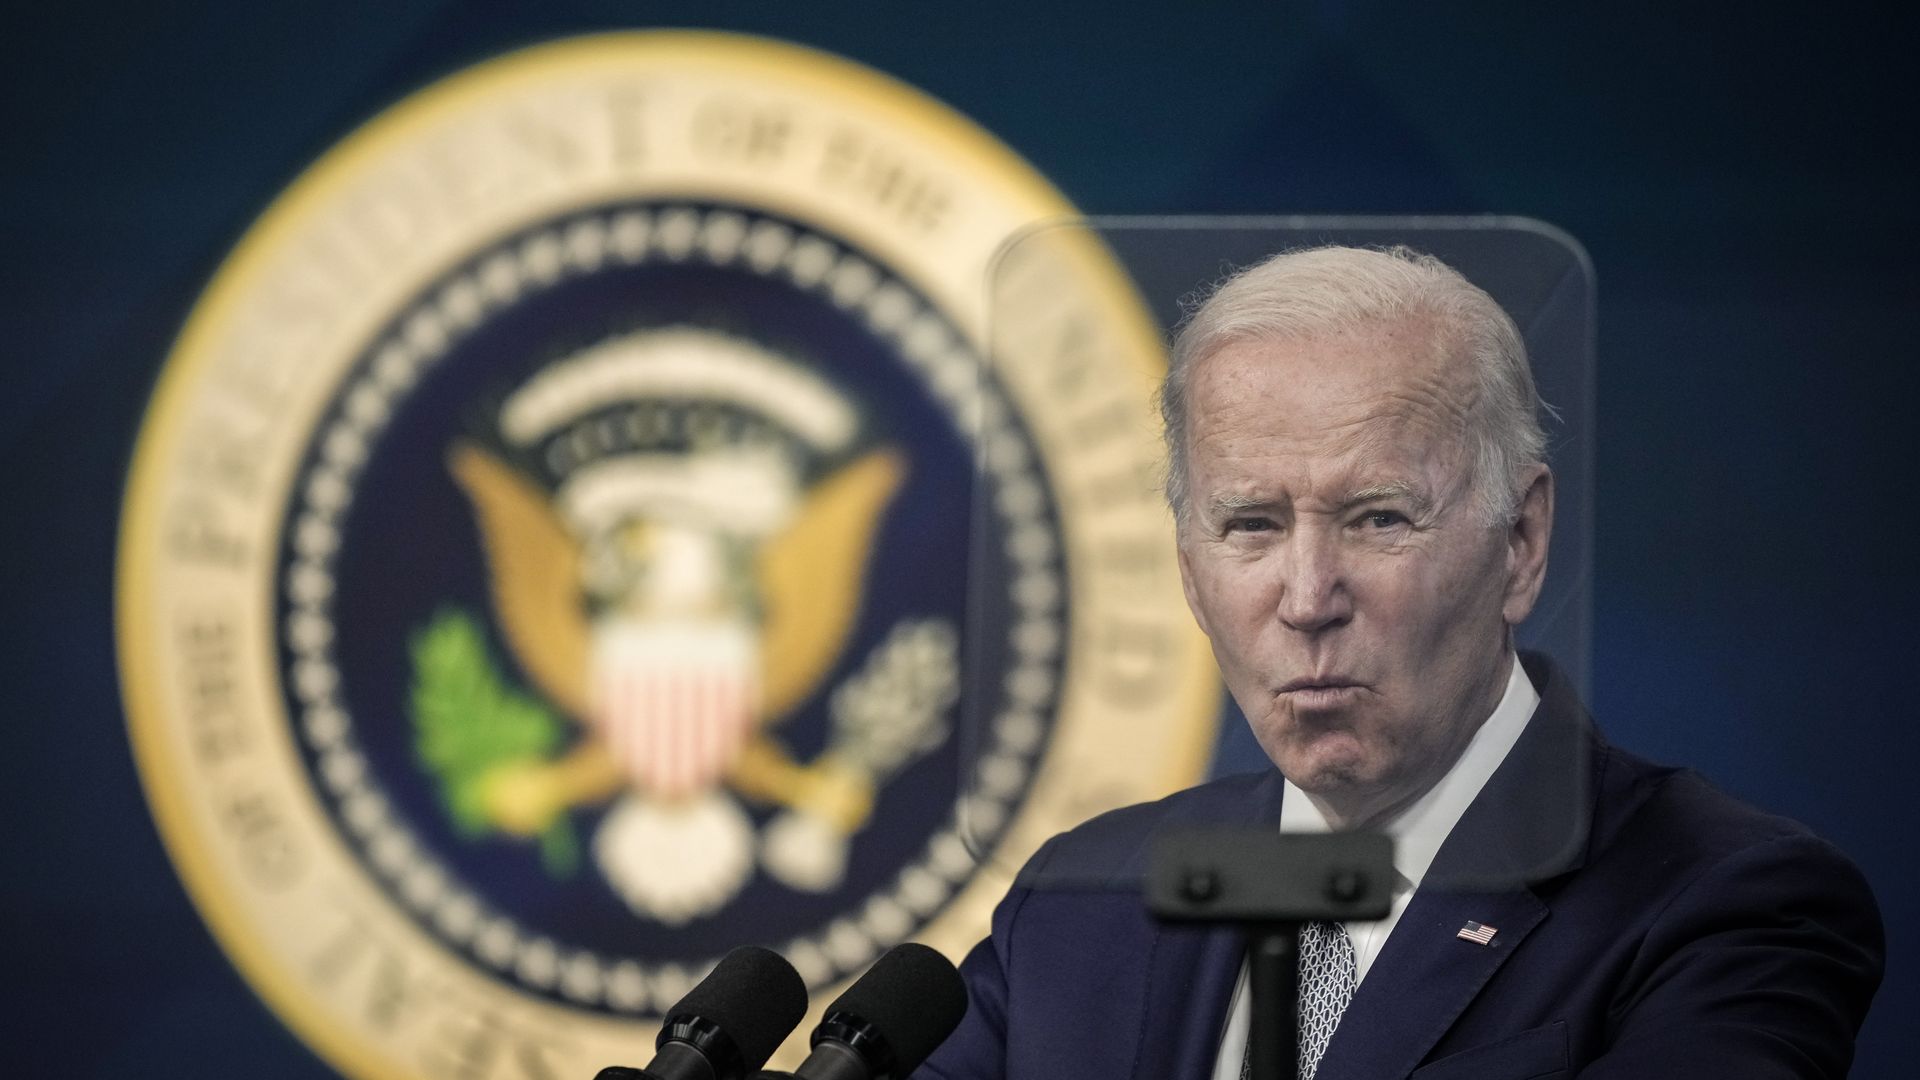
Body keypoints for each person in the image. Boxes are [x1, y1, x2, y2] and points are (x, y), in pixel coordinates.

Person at [915, 246, 1883, 1079]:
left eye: (1379, 518)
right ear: (1188, 571)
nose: (1308, 599)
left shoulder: (1725, 903)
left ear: (1521, 542)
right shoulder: (1081, 901)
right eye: (1250, 524)